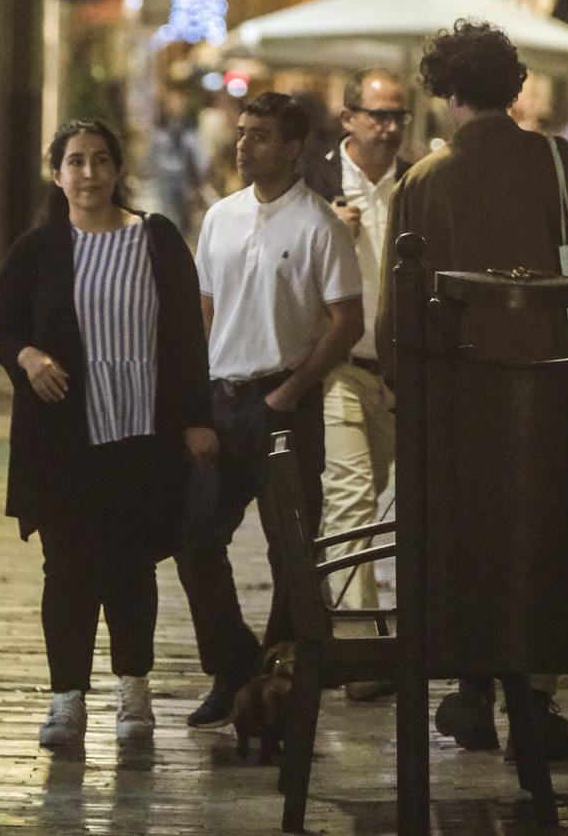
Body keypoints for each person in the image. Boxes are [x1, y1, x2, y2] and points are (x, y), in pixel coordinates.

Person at [378, 19, 568, 760]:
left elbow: (397, 317)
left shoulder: (422, 182)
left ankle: (474, 693)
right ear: (515, 87)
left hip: (456, 401)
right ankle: (535, 702)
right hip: (553, 397)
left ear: (446, 92)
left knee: (469, 545)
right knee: (546, 544)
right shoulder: (559, 162)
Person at [0, 119, 216, 754]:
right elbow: (1, 333)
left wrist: (197, 417)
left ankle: (133, 691)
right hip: (63, 439)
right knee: (67, 568)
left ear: (117, 170)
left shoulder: (156, 238)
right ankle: (67, 701)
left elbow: (184, 336)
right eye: (75, 162)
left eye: (99, 161)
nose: (88, 174)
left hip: (143, 433)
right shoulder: (36, 249)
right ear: (56, 174)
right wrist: (29, 358)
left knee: (132, 568)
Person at [177, 90, 363, 729]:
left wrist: (291, 392)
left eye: (259, 135)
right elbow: (202, 308)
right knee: (196, 537)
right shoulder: (221, 217)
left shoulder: (318, 224)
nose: (243, 144)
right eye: (241, 131)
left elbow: (347, 320)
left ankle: (280, 680)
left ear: (291, 147)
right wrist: (193, 398)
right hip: (222, 397)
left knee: (292, 550)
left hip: (284, 400)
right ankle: (232, 669)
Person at [304, 69, 408, 685]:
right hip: (338, 366)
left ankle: (380, 632)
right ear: (348, 119)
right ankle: (360, 651)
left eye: (398, 116)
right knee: (351, 499)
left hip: (399, 371)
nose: (390, 128)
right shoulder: (314, 184)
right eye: (378, 115)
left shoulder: (419, 182)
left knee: (392, 507)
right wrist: (326, 233)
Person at [142, 85, 209, 235]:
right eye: (171, 103)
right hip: (165, 178)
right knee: (169, 213)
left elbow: (197, 153)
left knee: (185, 214)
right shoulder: (160, 132)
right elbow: (150, 154)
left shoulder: (188, 130)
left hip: (183, 177)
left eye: (178, 103)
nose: (175, 107)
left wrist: (201, 172)